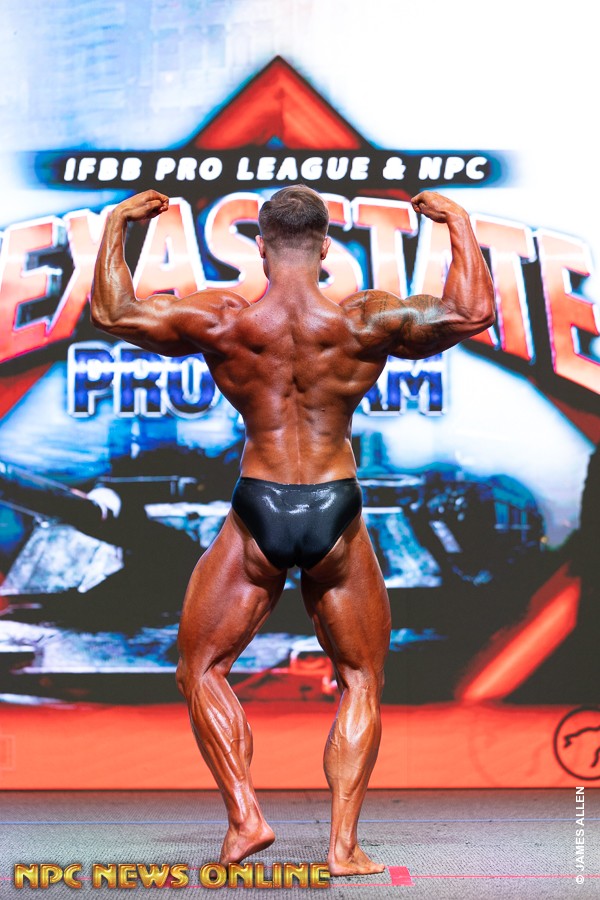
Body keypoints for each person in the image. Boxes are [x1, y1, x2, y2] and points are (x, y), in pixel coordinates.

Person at [91, 185, 495, 875]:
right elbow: (472, 312)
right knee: (360, 678)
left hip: (260, 505)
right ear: (326, 247)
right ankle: (343, 847)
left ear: (260, 248)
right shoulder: (364, 320)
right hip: (336, 506)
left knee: (201, 668)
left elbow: (113, 311)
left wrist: (117, 224)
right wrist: (457, 221)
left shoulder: (224, 319)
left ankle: (245, 817)